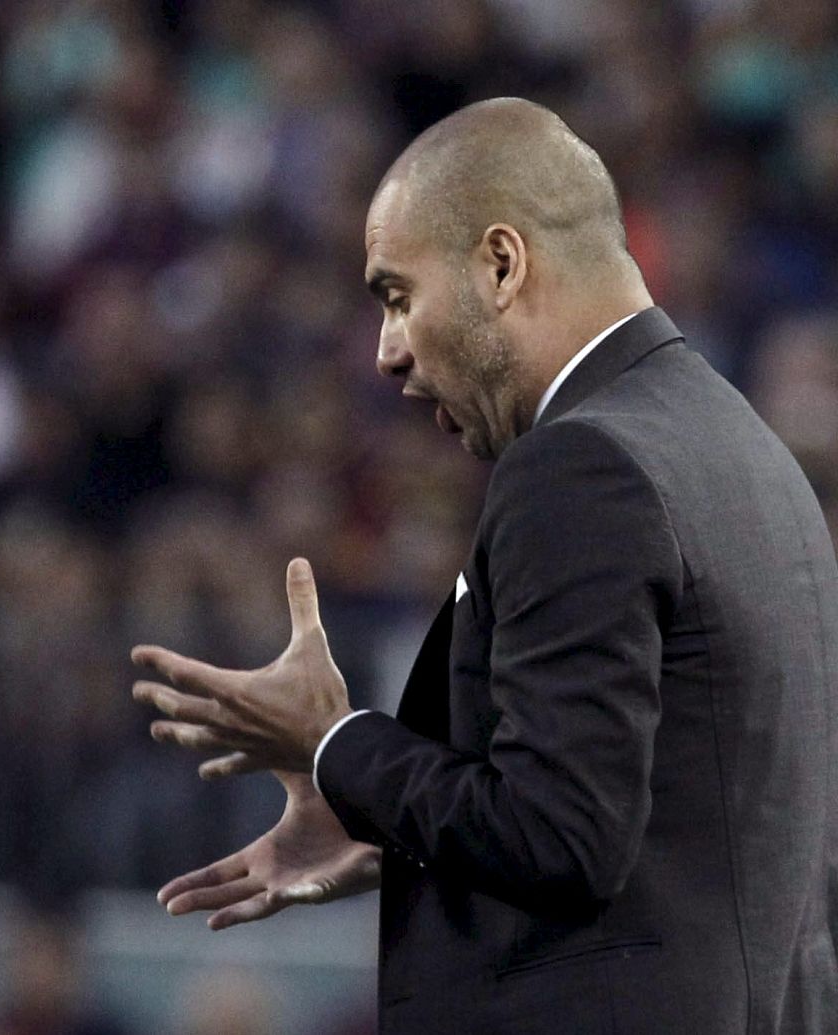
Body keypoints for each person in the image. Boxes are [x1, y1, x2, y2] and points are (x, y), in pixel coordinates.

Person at [132, 97, 838, 1034]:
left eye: (396, 296)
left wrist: (336, 743)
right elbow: (664, 818)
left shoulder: (582, 466)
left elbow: (564, 835)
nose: (386, 351)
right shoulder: (749, 454)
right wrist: (384, 821)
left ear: (501, 264)